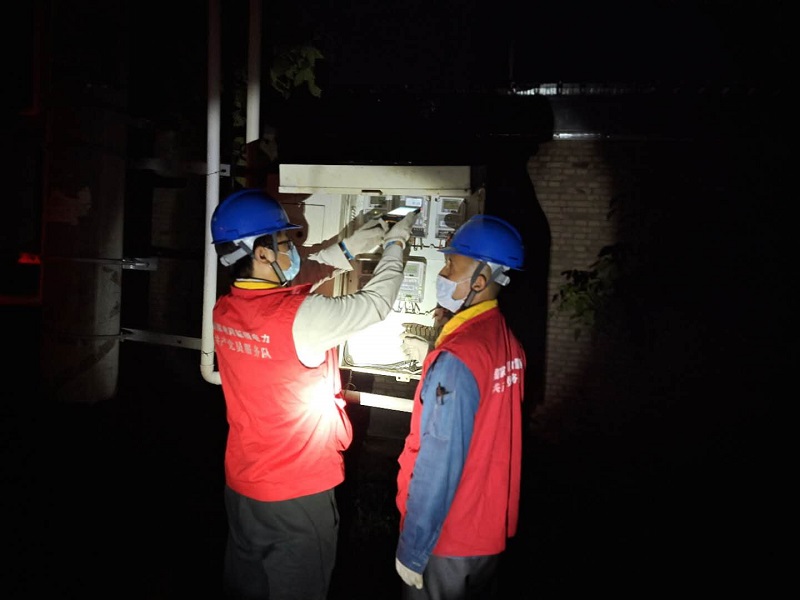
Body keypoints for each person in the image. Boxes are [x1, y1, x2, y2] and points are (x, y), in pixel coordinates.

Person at [209, 188, 419, 600]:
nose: (293, 248)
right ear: (261, 252)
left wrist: (349, 248)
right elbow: (376, 303)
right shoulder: (299, 318)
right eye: (284, 241)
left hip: (244, 487)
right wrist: (396, 244)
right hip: (297, 492)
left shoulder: (226, 310)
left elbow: (296, 277)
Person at [394, 214, 527, 599]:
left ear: (480, 280)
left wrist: (414, 548)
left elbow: (439, 459)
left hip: (447, 536)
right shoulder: (506, 339)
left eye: (452, 264)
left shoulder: (459, 356)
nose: (443, 271)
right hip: (488, 530)